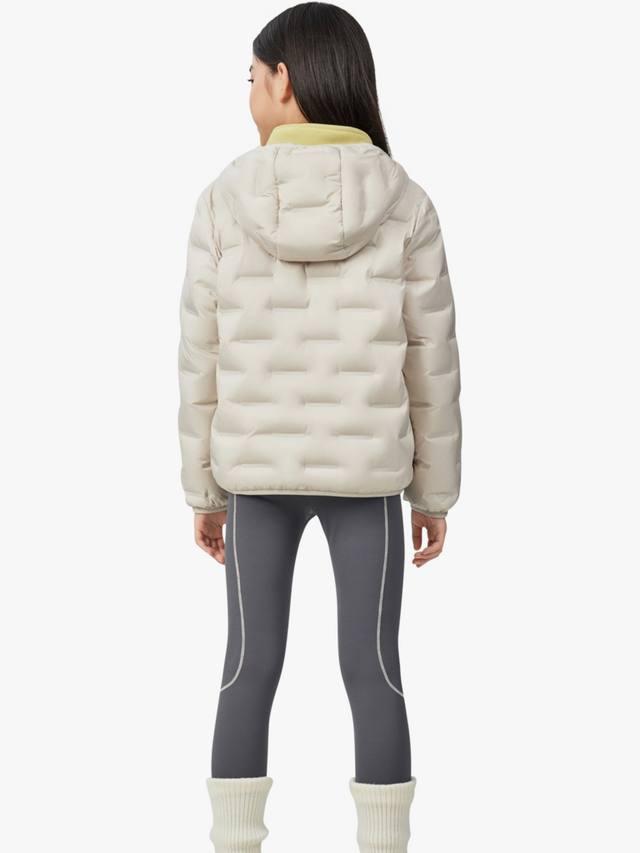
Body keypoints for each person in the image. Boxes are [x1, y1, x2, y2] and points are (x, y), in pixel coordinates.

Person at [177, 3, 462, 851]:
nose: (249, 95)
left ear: (284, 79)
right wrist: (435, 493)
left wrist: (203, 490)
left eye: (252, 78)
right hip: (369, 481)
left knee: (247, 666)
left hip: (253, 482)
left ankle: (234, 844)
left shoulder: (223, 199)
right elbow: (433, 358)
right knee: (373, 669)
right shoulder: (405, 201)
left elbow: (200, 357)